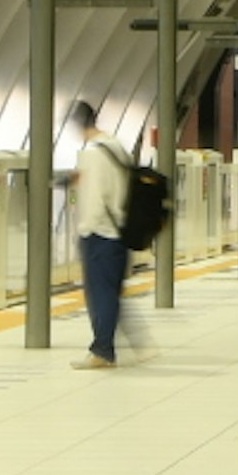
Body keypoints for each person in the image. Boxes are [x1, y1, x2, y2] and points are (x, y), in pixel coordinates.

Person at [68, 99, 134, 368]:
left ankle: (102, 351)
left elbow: (95, 198)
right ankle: (105, 348)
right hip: (121, 229)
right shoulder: (118, 147)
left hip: (101, 233)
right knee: (111, 292)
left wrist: (85, 230)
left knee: (100, 294)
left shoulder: (94, 154)